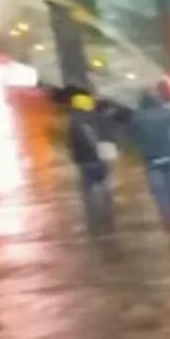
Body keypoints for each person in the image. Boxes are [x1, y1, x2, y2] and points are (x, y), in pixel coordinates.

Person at [129, 86, 170, 229]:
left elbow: (132, 136)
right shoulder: (164, 113)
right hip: (169, 155)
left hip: (150, 158)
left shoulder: (138, 116)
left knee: (158, 190)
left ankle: (166, 214)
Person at [66, 93, 118, 237]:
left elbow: (72, 144)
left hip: (85, 162)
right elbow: (110, 136)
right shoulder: (99, 118)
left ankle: (92, 221)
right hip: (101, 159)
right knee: (105, 186)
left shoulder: (73, 122)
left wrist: (76, 159)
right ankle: (108, 217)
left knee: (87, 192)